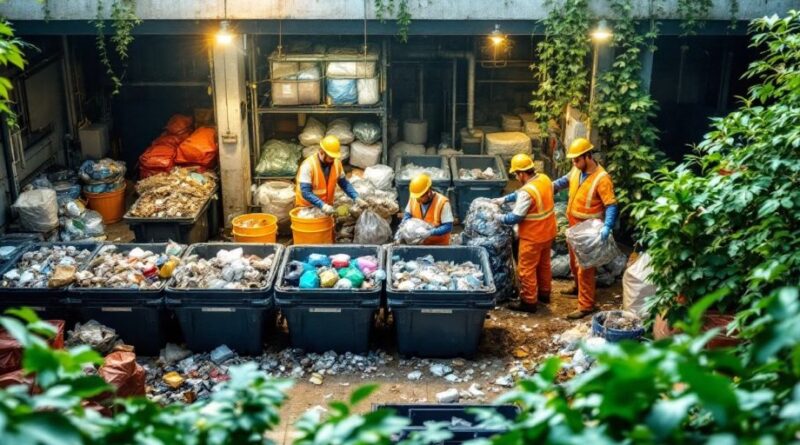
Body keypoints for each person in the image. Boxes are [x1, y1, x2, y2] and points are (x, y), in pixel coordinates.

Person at [553, 137, 618, 319]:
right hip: (574, 226)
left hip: (589, 229)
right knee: (574, 262)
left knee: (585, 268)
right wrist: (551, 187)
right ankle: (577, 287)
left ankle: (586, 305)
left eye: (576, 160)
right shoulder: (577, 169)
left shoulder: (602, 178)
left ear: (587, 156)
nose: (574, 163)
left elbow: (611, 205)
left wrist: (607, 226)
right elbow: (565, 180)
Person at [493, 154, 557, 313]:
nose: (516, 177)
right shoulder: (543, 179)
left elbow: (515, 217)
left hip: (533, 236)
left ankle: (529, 302)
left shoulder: (527, 192)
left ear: (522, 173)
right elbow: (521, 193)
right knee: (544, 265)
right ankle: (544, 294)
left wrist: (498, 217)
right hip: (548, 232)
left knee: (526, 269)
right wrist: (504, 199)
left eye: (516, 174)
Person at [295, 135, 367, 213]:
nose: (332, 160)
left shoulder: (336, 163)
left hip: (326, 208)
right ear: (322, 152)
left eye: (334, 157)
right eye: (330, 158)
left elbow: (344, 184)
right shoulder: (308, 165)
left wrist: (356, 197)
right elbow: (306, 192)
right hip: (307, 209)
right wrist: (323, 205)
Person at [401, 173, 454, 245]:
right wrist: (404, 227)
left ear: (428, 192)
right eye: (417, 197)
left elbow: (448, 227)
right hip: (420, 243)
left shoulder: (442, 202)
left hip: (439, 244)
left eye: (420, 197)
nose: (418, 200)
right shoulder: (415, 198)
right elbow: (407, 215)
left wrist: (430, 232)